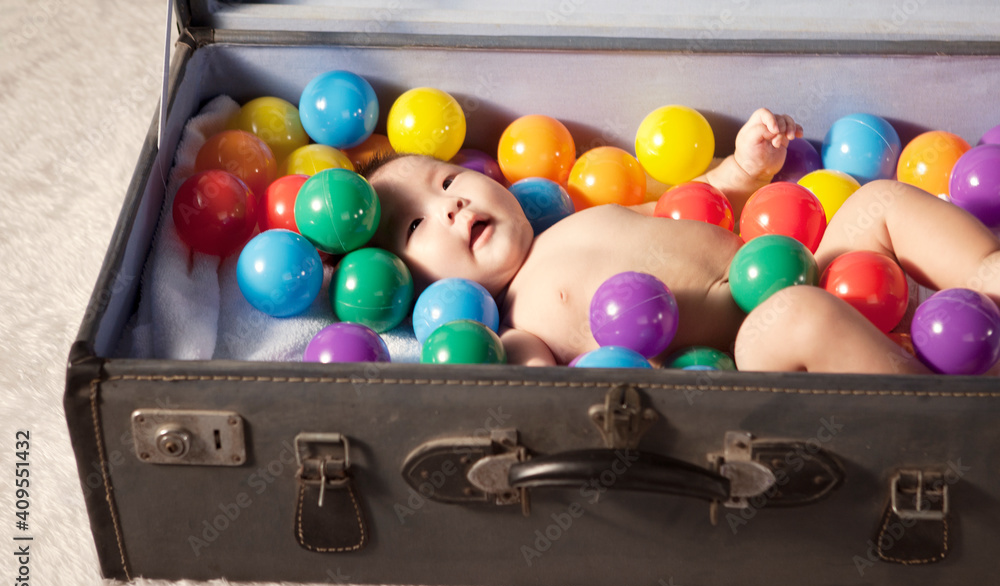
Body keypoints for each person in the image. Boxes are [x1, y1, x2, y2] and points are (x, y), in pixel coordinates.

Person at [360, 109, 1000, 373]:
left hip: (809, 267)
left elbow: (686, 205)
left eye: (449, 180)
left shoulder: (577, 217)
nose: (450, 205)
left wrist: (745, 170)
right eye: (416, 225)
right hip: (752, 348)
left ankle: (988, 270)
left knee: (878, 200)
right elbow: (537, 392)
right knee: (797, 315)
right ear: (410, 287)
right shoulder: (517, 324)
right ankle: (933, 413)